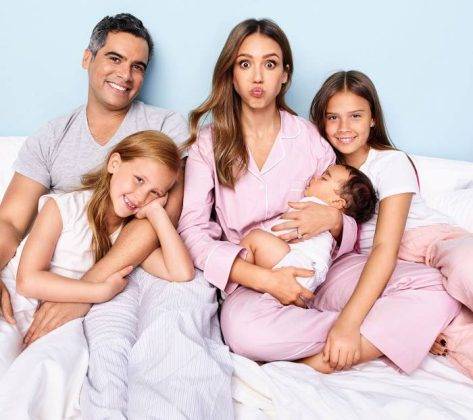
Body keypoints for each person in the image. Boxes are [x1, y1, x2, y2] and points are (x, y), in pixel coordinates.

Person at [0, 13, 233, 419]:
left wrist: (88, 289)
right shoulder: (52, 136)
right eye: (114, 58)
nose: (125, 75)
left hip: (129, 266)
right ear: (87, 58)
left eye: (137, 66)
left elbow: (159, 217)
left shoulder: (164, 127)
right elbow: (10, 221)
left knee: (171, 333)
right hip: (63, 266)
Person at [178, 17, 358, 369]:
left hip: (320, 268)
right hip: (252, 277)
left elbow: (346, 205)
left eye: (270, 64)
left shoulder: (311, 140)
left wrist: (334, 220)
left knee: (402, 281)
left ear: (285, 75)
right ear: (232, 74)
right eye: (245, 64)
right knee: (243, 335)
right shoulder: (208, 144)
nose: (258, 77)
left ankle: (354, 325)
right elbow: (192, 231)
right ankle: (360, 332)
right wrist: (267, 280)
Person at [310, 69, 473, 376]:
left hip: (430, 242)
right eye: (333, 117)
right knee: (456, 333)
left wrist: (348, 323)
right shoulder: (324, 171)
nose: (343, 128)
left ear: (373, 119)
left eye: (355, 116)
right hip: (396, 270)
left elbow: (385, 245)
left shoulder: (389, 162)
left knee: (467, 268)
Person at [240, 164, 377, 292]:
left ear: (337, 202)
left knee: (255, 238)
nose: (315, 178)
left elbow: (280, 231)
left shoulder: (312, 205)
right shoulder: (329, 226)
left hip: (298, 266)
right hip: (309, 275)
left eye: (323, 178)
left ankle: (238, 276)